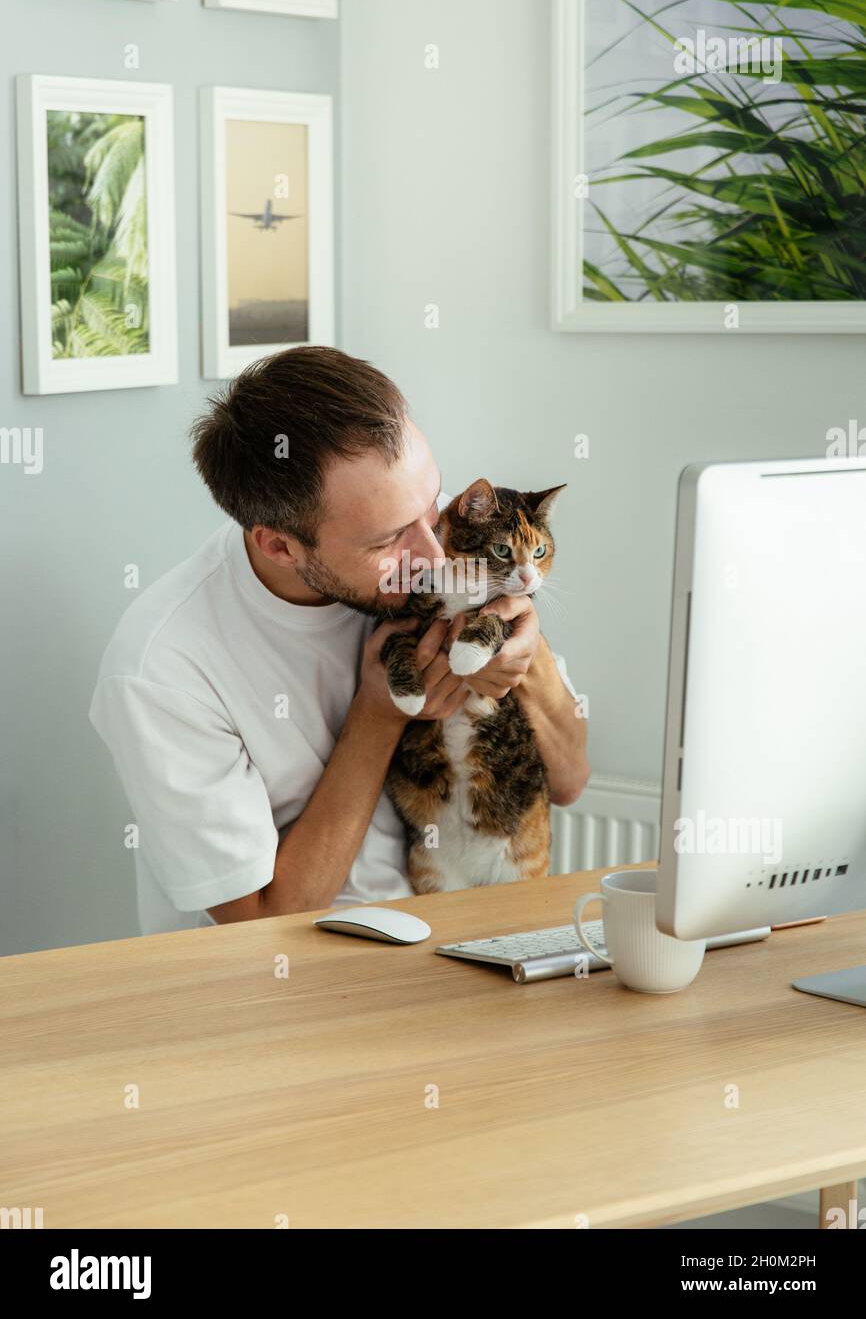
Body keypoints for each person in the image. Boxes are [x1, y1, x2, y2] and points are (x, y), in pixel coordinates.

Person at [90, 346, 590, 934]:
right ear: (280, 545)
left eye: (431, 503)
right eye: (389, 540)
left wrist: (531, 664)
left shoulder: (450, 539)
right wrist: (378, 716)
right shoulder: (163, 668)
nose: (431, 554)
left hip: (457, 943)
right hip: (287, 987)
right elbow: (264, 920)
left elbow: (569, 781)